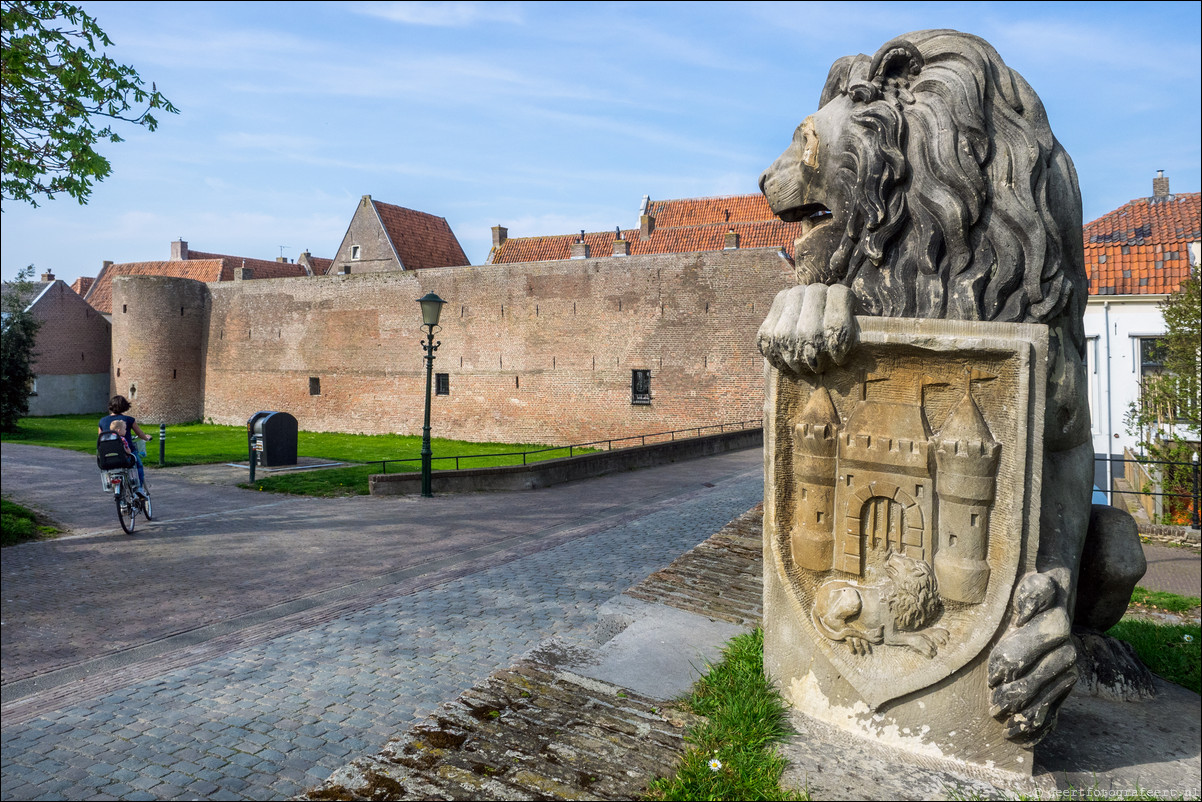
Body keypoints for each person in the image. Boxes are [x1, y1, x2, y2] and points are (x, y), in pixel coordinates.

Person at [99, 395, 151, 496]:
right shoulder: (129, 419)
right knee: (138, 465)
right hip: (126, 453)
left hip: (108, 456)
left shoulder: (102, 421)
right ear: (125, 406)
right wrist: (146, 438)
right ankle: (139, 488)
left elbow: (101, 438)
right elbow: (139, 433)